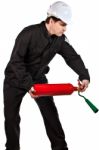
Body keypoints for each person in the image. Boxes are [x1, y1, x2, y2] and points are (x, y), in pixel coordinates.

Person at [3, 1, 90, 150]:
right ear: (51, 21)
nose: (65, 29)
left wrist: (84, 76)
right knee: (11, 118)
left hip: (38, 77)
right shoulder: (28, 34)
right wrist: (28, 85)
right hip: (15, 78)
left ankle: (60, 147)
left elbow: (72, 57)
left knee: (50, 113)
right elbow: (16, 62)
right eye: (63, 25)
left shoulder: (59, 39)